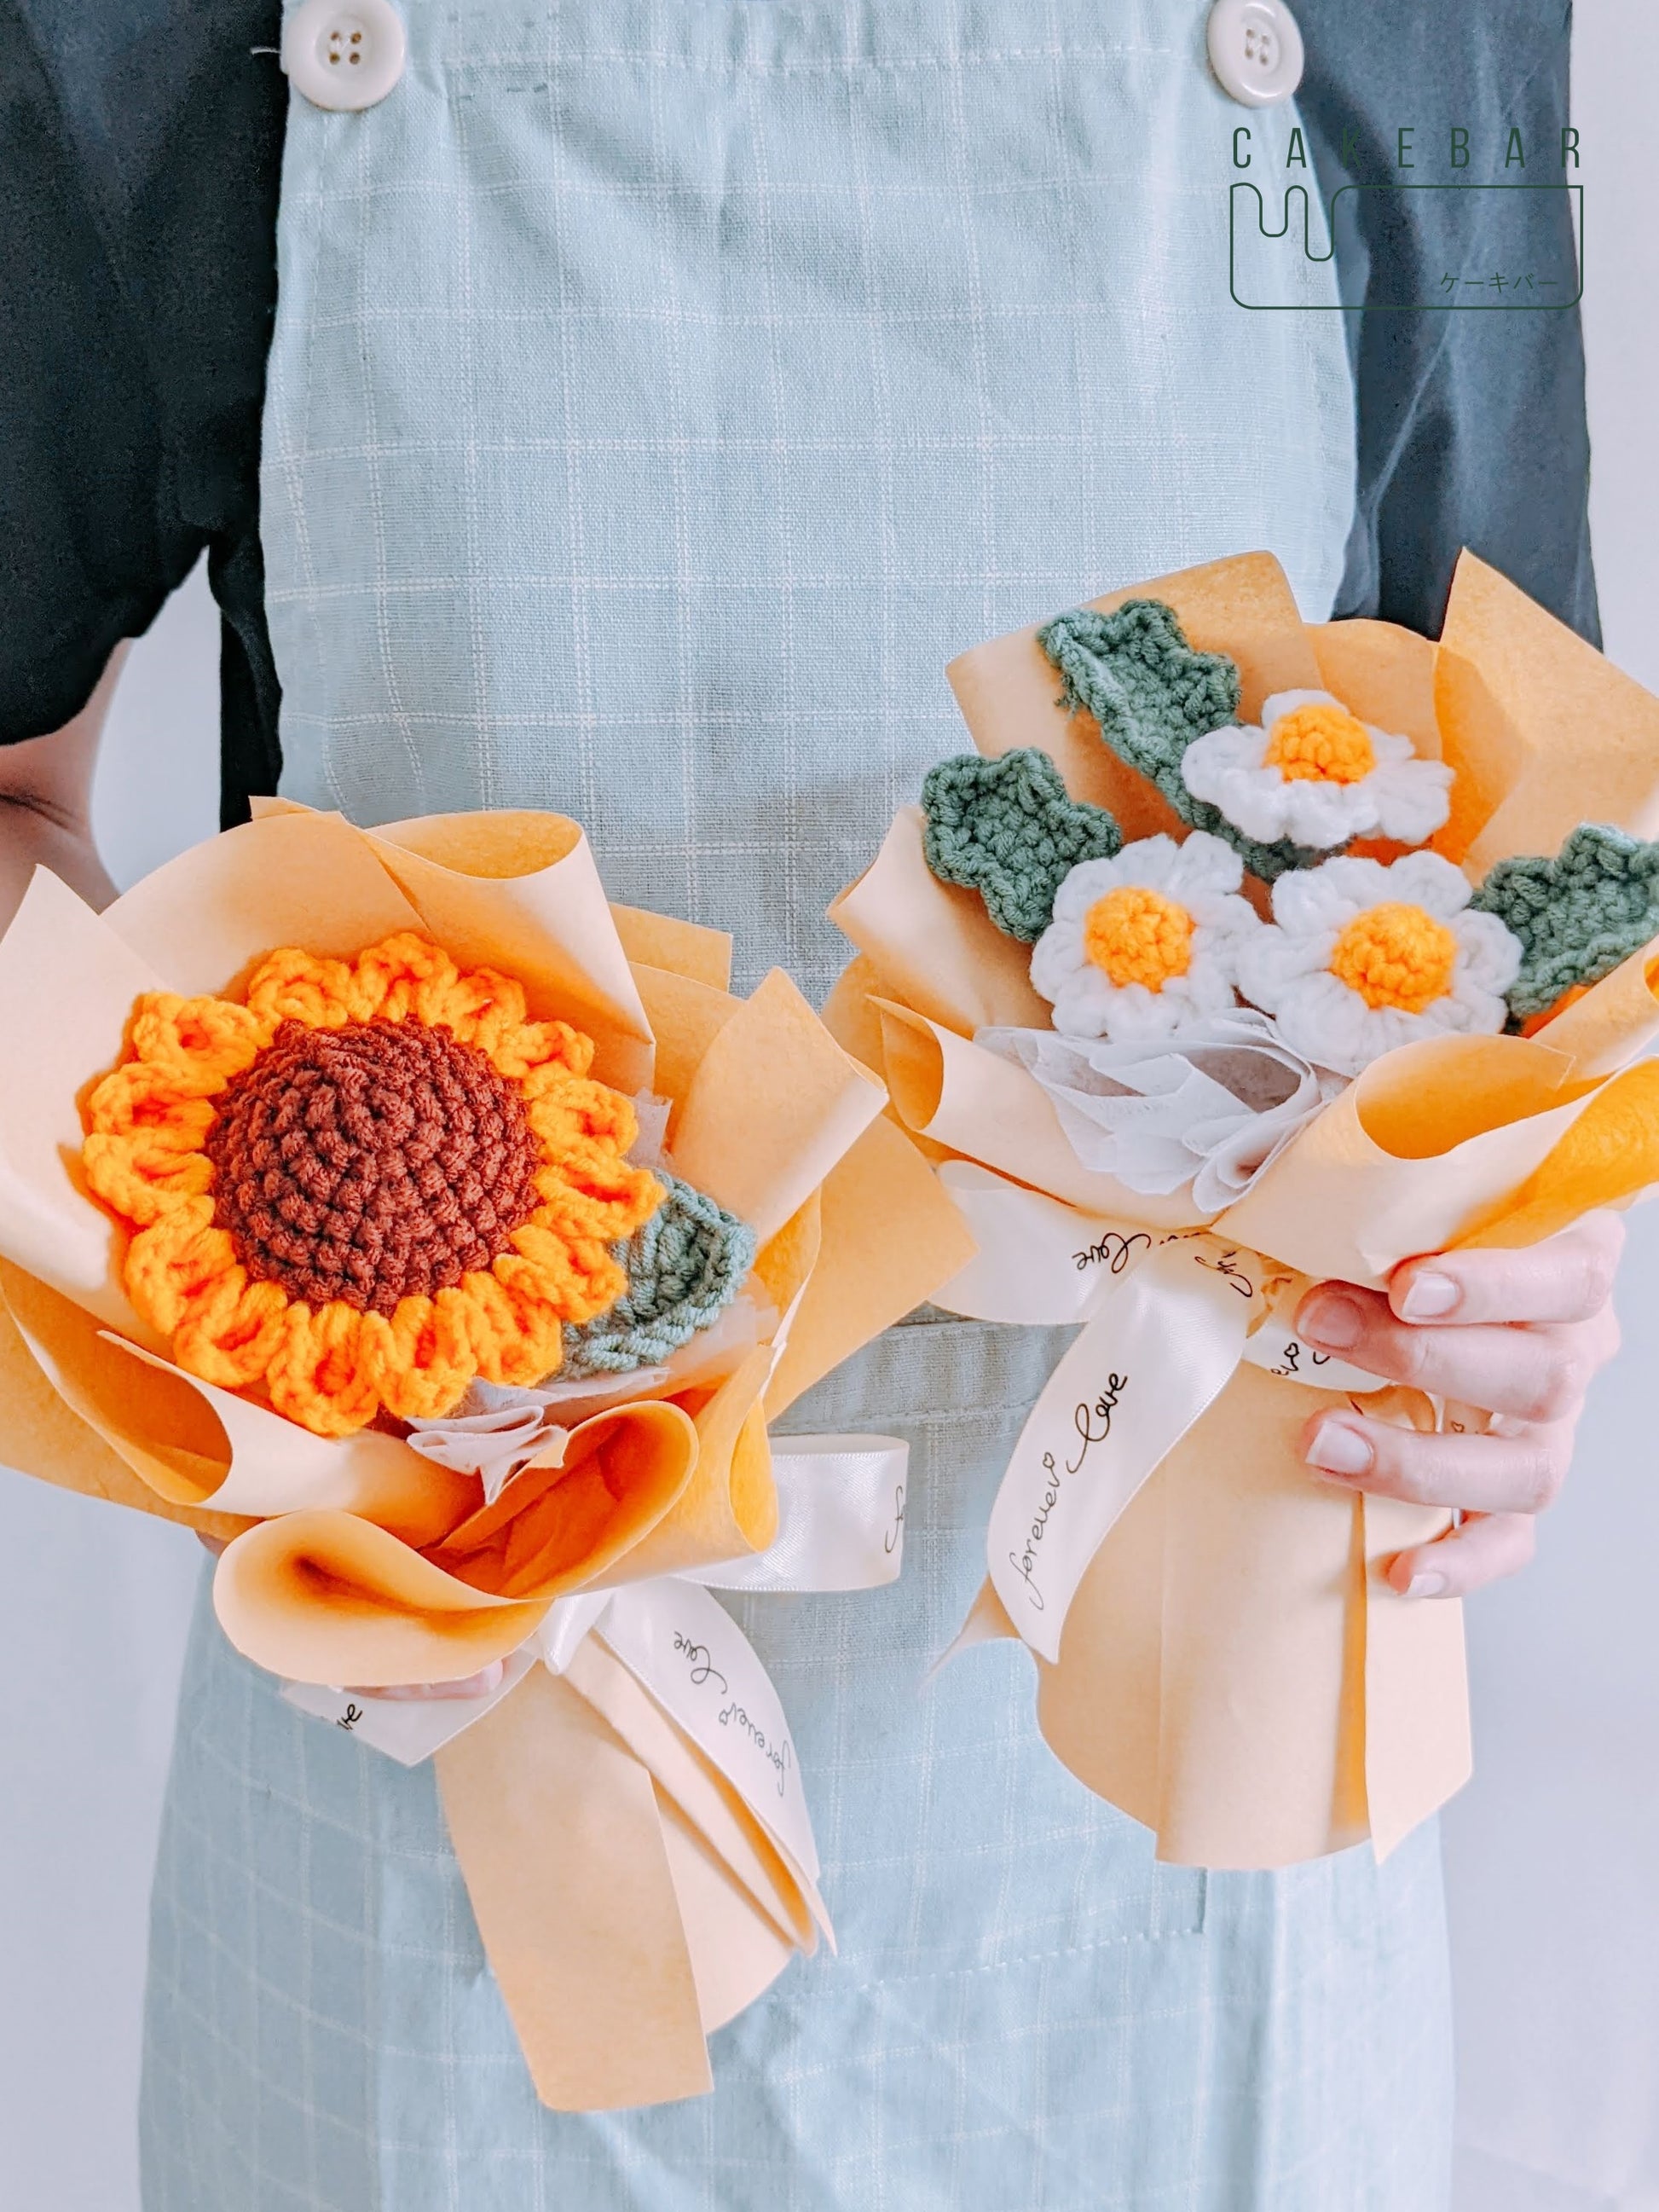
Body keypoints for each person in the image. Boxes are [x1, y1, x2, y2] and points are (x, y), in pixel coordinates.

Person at [0, 1, 1621, 2204]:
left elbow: (1527, 848)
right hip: (451, 1811)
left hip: (1195, 1823)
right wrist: (216, 1279)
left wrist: (1516, 1270)